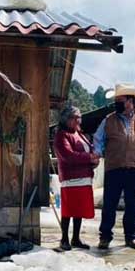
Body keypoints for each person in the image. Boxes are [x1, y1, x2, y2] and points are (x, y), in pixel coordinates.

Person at [93, 83, 135, 250]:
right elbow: (98, 138)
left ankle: (131, 237)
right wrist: (97, 152)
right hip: (114, 167)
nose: (117, 104)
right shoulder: (108, 120)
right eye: (116, 100)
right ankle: (105, 237)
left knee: (132, 204)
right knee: (109, 204)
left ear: (130, 101)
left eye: (120, 100)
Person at [53, 105, 100, 251]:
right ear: (66, 119)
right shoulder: (61, 135)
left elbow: (90, 150)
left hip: (84, 177)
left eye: (79, 117)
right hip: (71, 179)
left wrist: (95, 159)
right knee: (69, 209)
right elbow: (68, 156)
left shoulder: (80, 134)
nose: (78, 120)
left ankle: (75, 238)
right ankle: (64, 239)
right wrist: (89, 158)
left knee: (78, 209)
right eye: (75, 117)